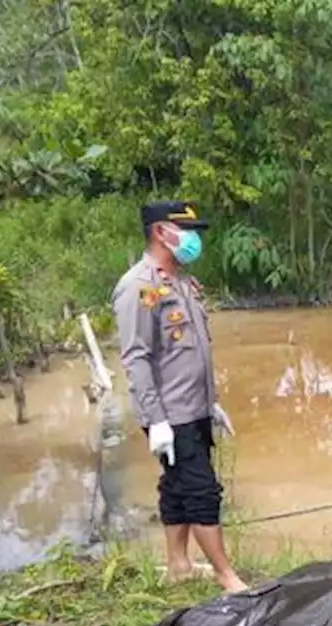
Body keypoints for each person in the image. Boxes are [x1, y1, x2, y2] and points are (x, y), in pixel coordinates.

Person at [111, 200, 247, 593]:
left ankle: (178, 565)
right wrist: (155, 421)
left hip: (195, 406)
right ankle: (227, 576)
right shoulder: (138, 287)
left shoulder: (182, 283)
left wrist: (212, 402)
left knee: (176, 485)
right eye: (185, 231)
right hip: (171, 414)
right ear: (160, 233)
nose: (193, 240)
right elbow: (136, 357)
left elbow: (193, 350)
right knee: (202, 490)